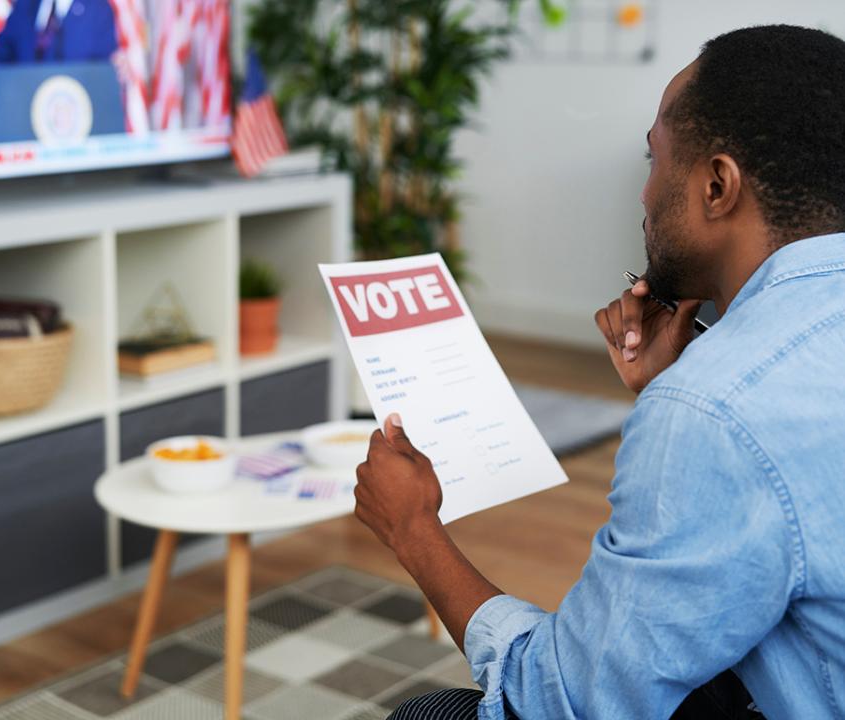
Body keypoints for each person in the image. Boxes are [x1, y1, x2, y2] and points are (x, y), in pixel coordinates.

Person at [354, 24, 845, 720]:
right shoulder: (731, 388)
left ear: (716, 185)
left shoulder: (715, 411)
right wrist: (679, 383)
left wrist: (414, 529)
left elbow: (563, 704)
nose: (643, 196)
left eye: (655, 160)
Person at [0, 0, 117, 68]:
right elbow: (1, 56)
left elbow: (102, 71)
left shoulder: (98, 9)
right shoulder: (25, 5)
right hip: (25, 106)